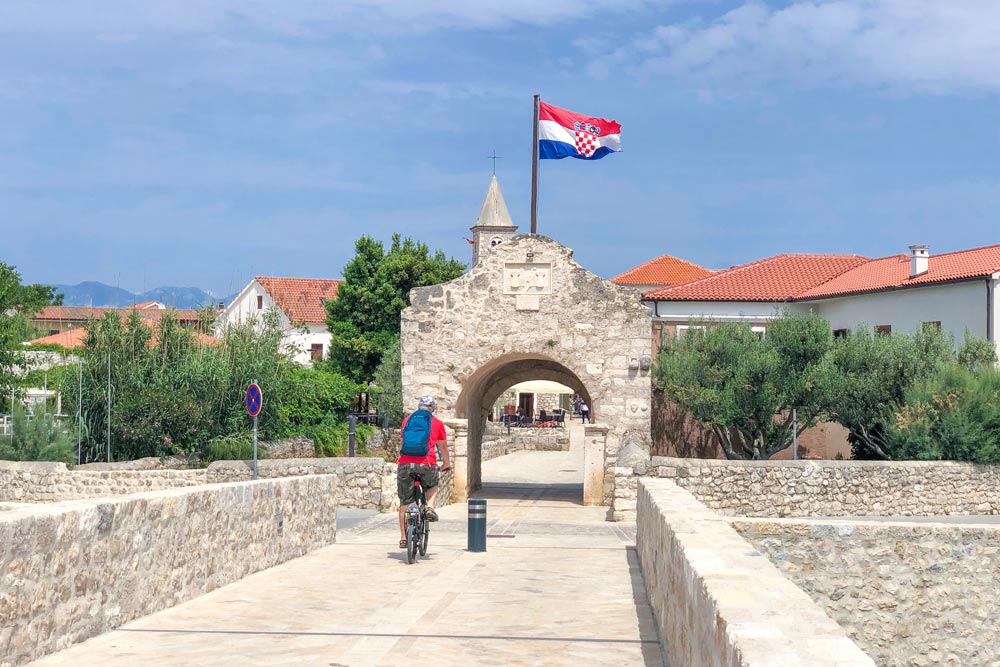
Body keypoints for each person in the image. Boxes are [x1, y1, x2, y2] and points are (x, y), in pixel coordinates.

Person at [397, 395, 451, 549]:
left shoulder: (407, 420)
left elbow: (402, 443)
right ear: (433, 409)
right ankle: (429, 508)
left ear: (419, 407)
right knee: (432, 485)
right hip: (427, 463)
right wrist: (446, 463)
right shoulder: (437, 423)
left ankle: (403, 538)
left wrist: (401, 459)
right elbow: (443, 446)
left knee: (404, 502)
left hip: (405, 463)